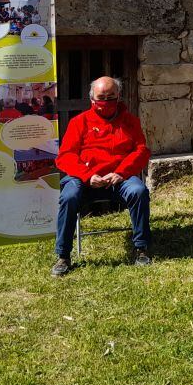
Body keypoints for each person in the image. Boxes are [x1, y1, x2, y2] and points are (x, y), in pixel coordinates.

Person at [51, 76, 151, 277]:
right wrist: (88, 175)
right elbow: (66, 156)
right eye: (101, 97)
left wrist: (121, 172)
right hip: (84, 179)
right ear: (92, 98)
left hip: (119, 178)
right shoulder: (79, 122)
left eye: (111, 96)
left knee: (139, 191)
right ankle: (63, 255)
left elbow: (141, 151)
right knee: (69, 197)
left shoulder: (130, 122)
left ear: (119, 96)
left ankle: (141, 248)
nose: (106, 101)